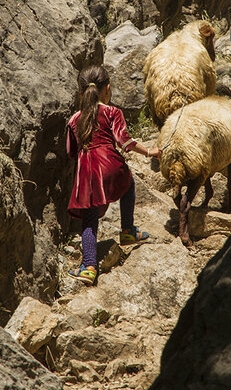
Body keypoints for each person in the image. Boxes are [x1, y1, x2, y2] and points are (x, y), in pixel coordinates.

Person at [66, 65, 161, 285]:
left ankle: (89, 267)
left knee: (89, 219)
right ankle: (128, 230)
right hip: (111, 164)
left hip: (86, 172)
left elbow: (71, 152)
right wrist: (150, 151)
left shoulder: (74, 120)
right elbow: (124, 141)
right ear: (107, 89)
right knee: (128, 184)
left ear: (81, 92)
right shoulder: (112, 112)